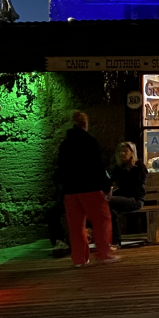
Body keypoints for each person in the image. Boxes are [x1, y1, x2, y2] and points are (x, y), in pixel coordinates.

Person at [58, 111, 120, 267]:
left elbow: (60, 169)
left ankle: (79, 259)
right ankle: (105, 254)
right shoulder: (90, 142)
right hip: (90, 188)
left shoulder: (64, 144)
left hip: (70, 191)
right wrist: (107, 186)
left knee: (76, 226)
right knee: (102, 221)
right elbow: (98, 166)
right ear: (85, 125)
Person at [109, 141, 146, 248]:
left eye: (125, 151)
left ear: (132, 153)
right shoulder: (118, 168)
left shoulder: (138, 167)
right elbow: (112, 182)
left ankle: (114, 241)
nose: (122, 153)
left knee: (108, 202)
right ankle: (115, 242)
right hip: (122, 199)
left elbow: (135, 187)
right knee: (111, 210)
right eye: (120, 151)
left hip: (135, 200)